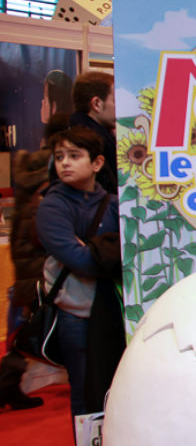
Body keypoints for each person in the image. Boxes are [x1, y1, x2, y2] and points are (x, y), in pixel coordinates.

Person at [35, 125, 122, 416]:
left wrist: (95, 249)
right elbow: (79, 260)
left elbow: (133, 255)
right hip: (77, 313)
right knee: (86, 393)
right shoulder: (52, 206)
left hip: (116, 312)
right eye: (60, 157)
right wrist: (109, 253)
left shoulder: (115, 204)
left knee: (119, 388)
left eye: (74, 155)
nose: (65, 163)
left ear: (97, 163)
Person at [0, 115, 70, 410]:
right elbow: (41, 227)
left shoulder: (31, 170)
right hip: (40, 264)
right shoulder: (51, 174)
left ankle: (8, 385)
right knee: (34, 328)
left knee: (26, 328)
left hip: (25, 261)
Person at [69, 71, 117, 194]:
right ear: (97, 104)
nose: (122, 108)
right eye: (116, 101)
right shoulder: (94, 144)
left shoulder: (71, 133)